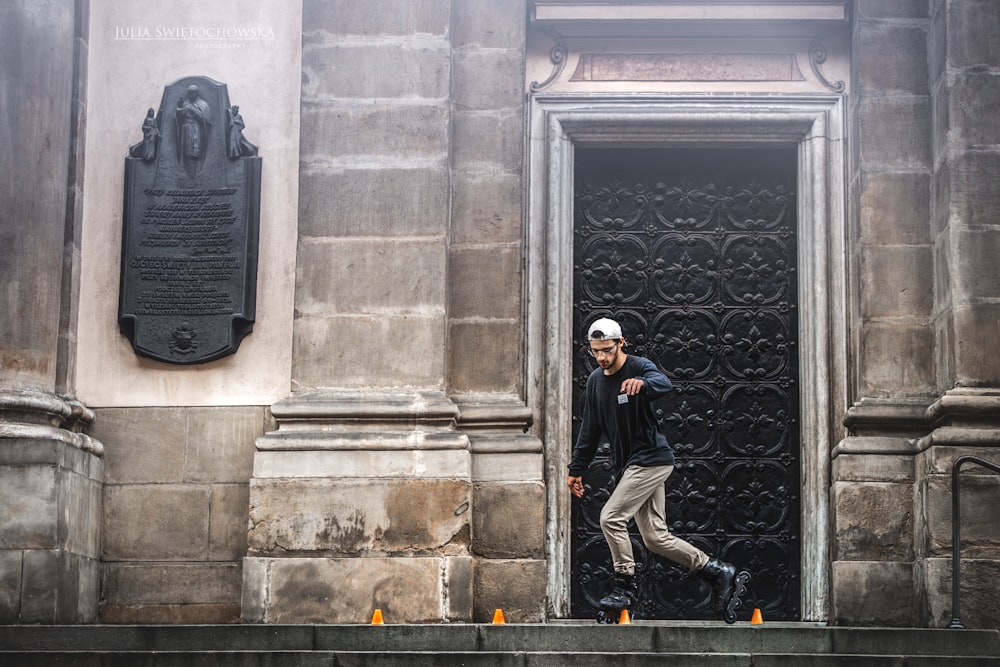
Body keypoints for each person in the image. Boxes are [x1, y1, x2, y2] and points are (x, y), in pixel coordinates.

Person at [567, 317, 747, 621]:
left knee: (611, 518)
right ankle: (716, 570)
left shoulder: (639, 366)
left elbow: (664, 383)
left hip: (651, 459)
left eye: (607, 350)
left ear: (620, 343)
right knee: (655, 538)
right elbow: (590, 429)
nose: (601, 358)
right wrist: (576, 469)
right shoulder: (596, 381)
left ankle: (624, 584)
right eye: (595, 352)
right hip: (630, 466)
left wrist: (644, 384)